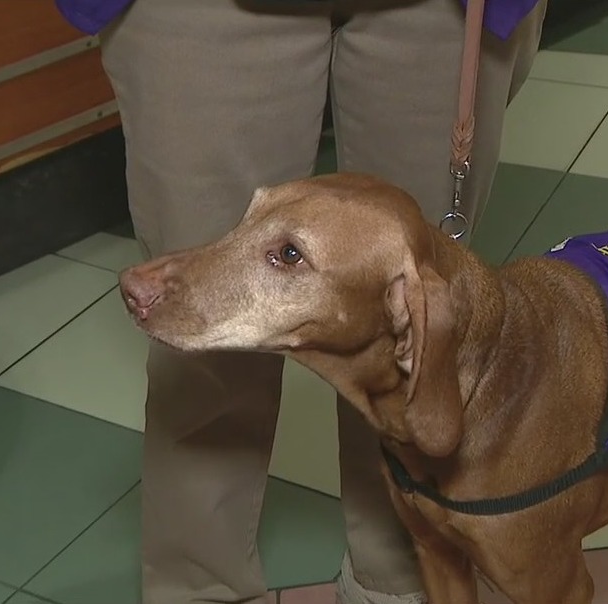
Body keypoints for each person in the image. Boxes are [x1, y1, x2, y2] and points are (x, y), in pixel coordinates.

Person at [53, 0, 548, 602]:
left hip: (434, 12)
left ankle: (399, 581)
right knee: (197, 322)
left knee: (417, 331)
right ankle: (200, 587)